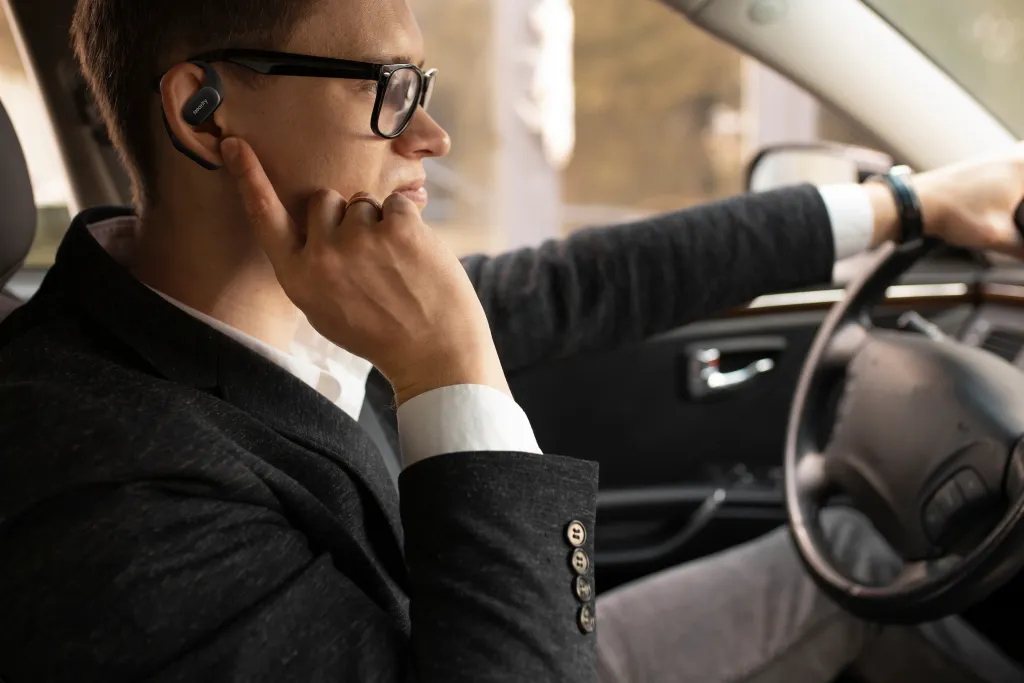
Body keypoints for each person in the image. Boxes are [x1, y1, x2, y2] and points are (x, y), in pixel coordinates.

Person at [0, 0, 1023, 681]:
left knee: (845, 557)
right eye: (384, 87)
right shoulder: (98, 487)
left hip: (490, 638)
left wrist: (905, 200)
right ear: (203, 111)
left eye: (425, 85)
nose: (430, 136)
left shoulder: (294, 303)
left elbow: (586, 282)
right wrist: (451, 368)